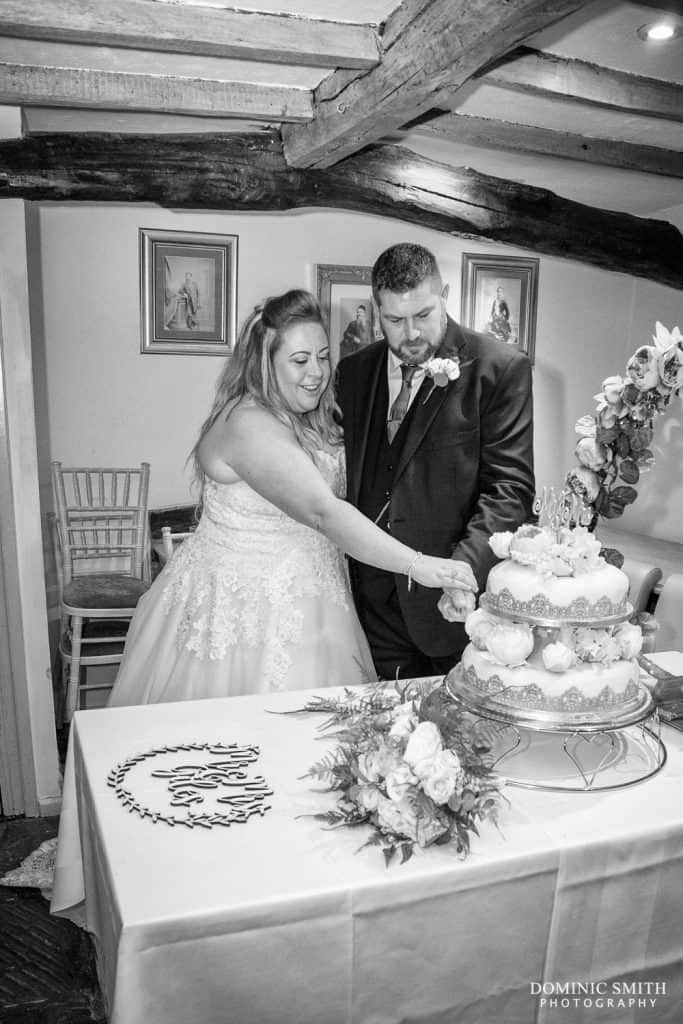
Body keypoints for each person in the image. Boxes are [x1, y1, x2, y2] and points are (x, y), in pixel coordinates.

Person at [108, 289, 471, 706]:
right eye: (299, 361)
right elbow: (323, 512)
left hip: (317, 607)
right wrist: (420, 566)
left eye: (321, 356)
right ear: (265, 363)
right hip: (248, 620)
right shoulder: (248, 425)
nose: (316, 372)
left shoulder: (310, 417)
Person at [336, 243, 535, 681]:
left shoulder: (499, 369)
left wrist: (462, 569)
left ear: (443, 294)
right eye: (394, 320)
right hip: (371, 608)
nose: (410, 334)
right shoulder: (353, 372)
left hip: (453, 609)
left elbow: (510, 489)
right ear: (376, 309)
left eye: (423, 315)